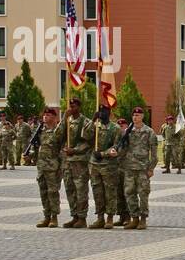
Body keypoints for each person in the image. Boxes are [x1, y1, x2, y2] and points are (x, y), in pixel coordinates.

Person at [58, 97, 93, 227]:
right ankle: (74, 216)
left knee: (81, 190)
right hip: (67, 162)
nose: (72, 108)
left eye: (74, 106)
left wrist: (75, 150)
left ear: (79, 107)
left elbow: (88, 141)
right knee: (69, 189)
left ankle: (82, 218)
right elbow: (57, 135)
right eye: (70, 106)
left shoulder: (85, 122)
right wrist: (63, 119)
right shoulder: (67, 121)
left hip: (79, 162)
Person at [122, 107, 158, 229]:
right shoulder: (128, 131)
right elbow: (123, 148)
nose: (135, 117)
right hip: (129, 167)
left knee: (143, 194)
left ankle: (143, 219)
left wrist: (151, 168)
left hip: (143, 168)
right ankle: (134, 218)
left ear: (142, 116)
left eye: (137, 115)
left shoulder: (149, 132)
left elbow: (154, 153)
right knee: (129, 193)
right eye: (133, 115)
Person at [88, 107, 122, 229]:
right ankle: (100, 218)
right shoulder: (95, 126)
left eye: (104, 112)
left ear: (109, 113)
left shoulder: (115, 128)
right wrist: (93, 119)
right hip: (95, 165)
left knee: (110, 192)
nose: (102, 114)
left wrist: (102, 154)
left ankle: (110, 218)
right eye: (100, 112)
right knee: (97, 192)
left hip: (109, 166)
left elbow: (116, 146)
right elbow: (84, 135)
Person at [34, 108, 62, 227]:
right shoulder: (41, 131)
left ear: (54, 117)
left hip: (53, 167)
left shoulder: (58, 131)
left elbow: (61, 148)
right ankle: (46, 216)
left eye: (48, 115)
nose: (45, 117)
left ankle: (54, 217)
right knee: (43, 192)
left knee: (53, 192)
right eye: (44, 115)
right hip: (41, 166)